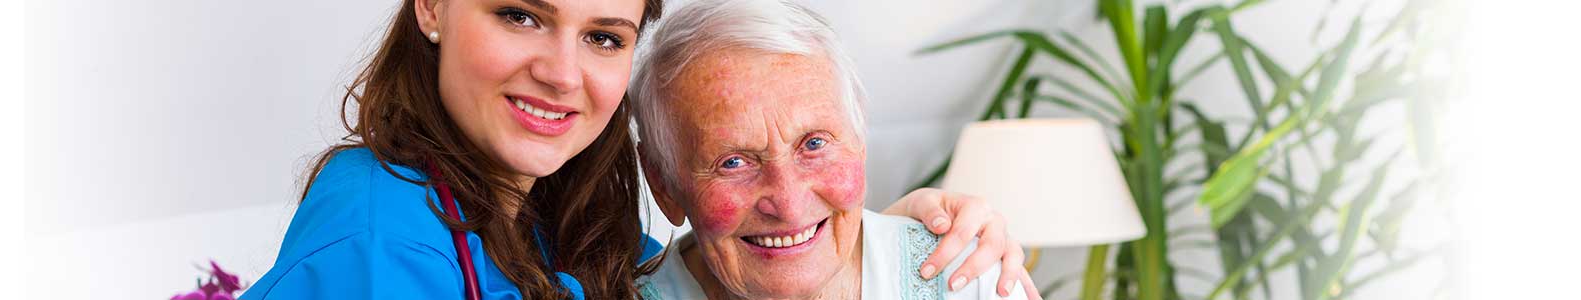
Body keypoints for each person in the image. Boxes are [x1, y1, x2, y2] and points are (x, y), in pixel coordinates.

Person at [241, 0, 1033, 299]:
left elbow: (747, 248)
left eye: (602, 36)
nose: (560, 73)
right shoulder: (377, 238)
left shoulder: (569, 226)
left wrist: (893, 243)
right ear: (434, 7)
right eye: (519, 13)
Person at [628, 0, 1039, 299]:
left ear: (859, 142)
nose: (788, 204)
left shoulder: (969, 277)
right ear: (662, 184)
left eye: (814, 144)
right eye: (733, 162)